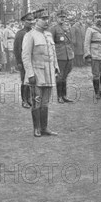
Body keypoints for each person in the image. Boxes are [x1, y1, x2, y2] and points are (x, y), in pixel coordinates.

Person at [22, 9, 59, 137]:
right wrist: (30, 74)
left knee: (45, 102)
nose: (46, 21)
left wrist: (56, 67)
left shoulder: (48, 35)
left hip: (48, 73)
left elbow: (53, 53)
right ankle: (36, 128)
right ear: (36, 20)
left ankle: (45, 128)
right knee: (36, 100)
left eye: (47, 18)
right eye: (43, 19)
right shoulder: (30, 35)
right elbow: (26, 56)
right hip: (37, 74)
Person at [49, 10, 75, 103]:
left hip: (68, 55)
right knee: (59, 77)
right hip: (59, 55)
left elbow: (71, 41)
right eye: (60, 17)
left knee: (65, 76)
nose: (62, 19)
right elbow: (51, 43)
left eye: (64, 17)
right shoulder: (54, 29)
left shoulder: (68, 28)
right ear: (56, 18)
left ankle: (64, 96)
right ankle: (59, 96)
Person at [14, 11, 35, 108]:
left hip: (33, 61)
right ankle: (24, 100)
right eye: (29, 20)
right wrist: (19, 62)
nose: (31, 22)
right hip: (23, 61)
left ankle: (30, 98)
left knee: (32, 80)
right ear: (23, 22)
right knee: (24, 81)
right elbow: (17, 49)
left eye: (32, 20)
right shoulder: (20, 34)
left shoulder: (34, 32)